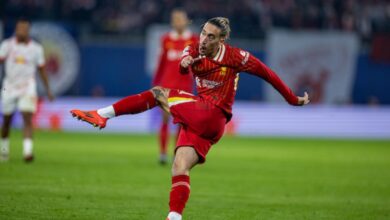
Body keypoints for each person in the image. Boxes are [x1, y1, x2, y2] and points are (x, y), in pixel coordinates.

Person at [71, 17, 310, 220]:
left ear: (222, 40)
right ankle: (174, 217)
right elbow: (184, 67)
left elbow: (268, 74)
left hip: (212, 113)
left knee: (158, 93)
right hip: (207, 124)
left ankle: (102, 114)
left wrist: (292, 99)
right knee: (180, 166)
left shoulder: (237, 57)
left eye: (211, 37)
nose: (204, 40)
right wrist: (185, 63)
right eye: (203, 33)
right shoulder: (194, 48)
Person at [0, 18, 54, 162]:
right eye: (19, 28)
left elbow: (42, 70)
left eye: (24, 29)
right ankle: (4, 151)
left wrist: (48, 89)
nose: (21, 31)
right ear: (16, 29)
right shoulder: (7, 45)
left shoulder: (36, 49)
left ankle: (27, 152)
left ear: (28, 30)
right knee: (6, 121)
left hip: (28, 86)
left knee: (27, 118)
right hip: (9, 86)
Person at [152, 9, 198, 165]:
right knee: (165, 119)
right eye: (175, 19)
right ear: (172, 22)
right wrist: (156, 83)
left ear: (186, 21)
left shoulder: (193, 39)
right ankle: (163, 153)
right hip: (166, 86)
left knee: (181, 122)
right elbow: (161, 63)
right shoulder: (165, 39)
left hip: (185, 87)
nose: (178, 22)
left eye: (180, 19)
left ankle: (177, 154)